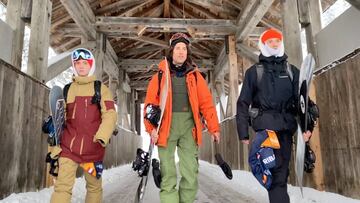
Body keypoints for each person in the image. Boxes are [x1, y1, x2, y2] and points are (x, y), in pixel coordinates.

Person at [236, 28, 312, 203]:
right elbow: (243, 102)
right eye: (270, 41)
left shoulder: (292, 70)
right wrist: (243, 132)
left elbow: (302, 103)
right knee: (276, 173)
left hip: (286, 129)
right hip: (266, 130)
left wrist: (307, 129)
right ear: (263, 44)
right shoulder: (254, 72)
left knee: (282, 174)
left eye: (277, 41)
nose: (274, 44)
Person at [143, 33, 220, 203]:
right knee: (168, 173)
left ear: (187, 52)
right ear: (171, 51)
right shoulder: (160, 77)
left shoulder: (195, 76)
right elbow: (150, 105)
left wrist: (214, 128)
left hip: (188, 128)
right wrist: (151, 129)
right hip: (166, 129)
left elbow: (206, 103)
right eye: (178, 48)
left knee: (190, 171)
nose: (181, 52)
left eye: (184, 48)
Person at [50, 48, 117, 203]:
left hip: (93, 149)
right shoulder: (67, 89)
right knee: (62, 187)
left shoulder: (101, 89)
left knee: (94, 188)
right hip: (69, 148)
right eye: (77, 63)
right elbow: (60, 118)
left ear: (91, 65)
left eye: (85, 63)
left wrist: (102, 136)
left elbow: (110, 114)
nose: (81, 66)